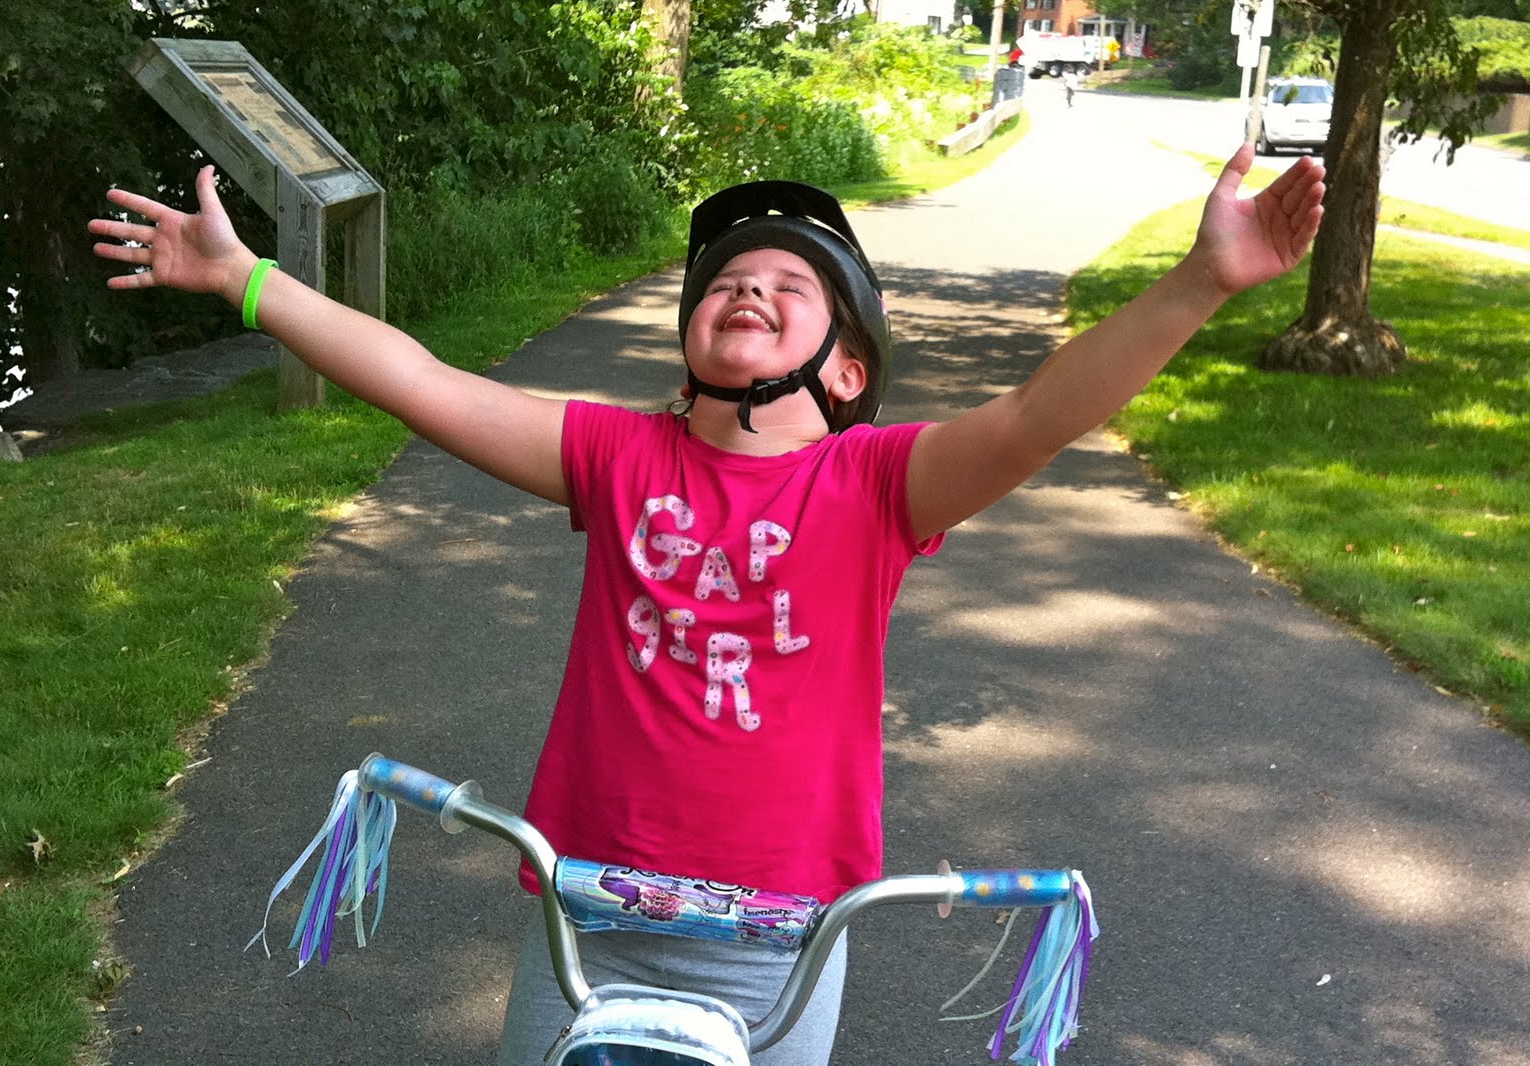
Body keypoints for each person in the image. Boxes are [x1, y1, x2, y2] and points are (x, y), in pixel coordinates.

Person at [89, 145, 1324, 1065]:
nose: (749, 288)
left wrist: (1198, 282)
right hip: (589, 911)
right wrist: (246, 279)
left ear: (846, 367)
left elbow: (1038, 413)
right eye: (727, 280)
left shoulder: (878, 483)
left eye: (791, 284)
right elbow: (421, 379)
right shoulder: (618, 456)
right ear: (685, 341)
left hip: (783, 937)